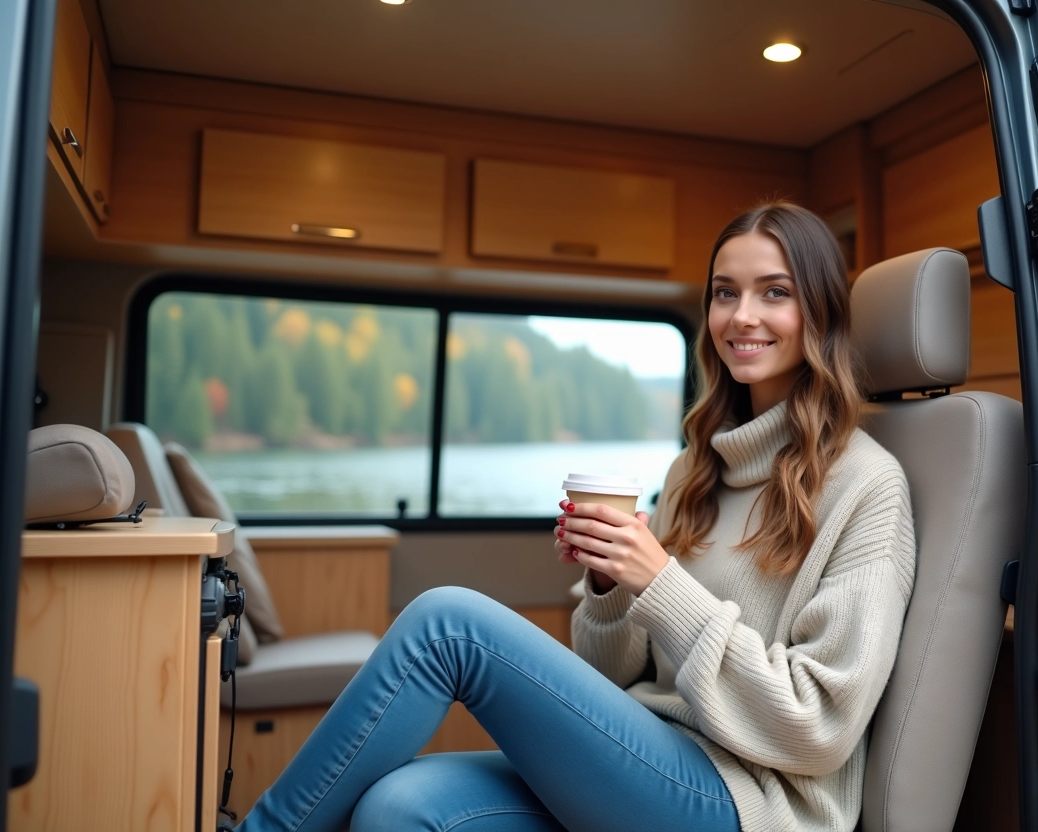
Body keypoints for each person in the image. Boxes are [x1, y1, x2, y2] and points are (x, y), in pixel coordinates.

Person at [237, 202, 915, 832]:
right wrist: (608, 585)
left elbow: (816, 728)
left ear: (820, 312)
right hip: (643, 755)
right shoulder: (694, 471)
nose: (742, 315)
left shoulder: (868, 487)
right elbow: (614, 678)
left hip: (749, 800)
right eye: (724, 292)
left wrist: (662, 584)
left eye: (775, 292)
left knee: (447, 625)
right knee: (396, 807)